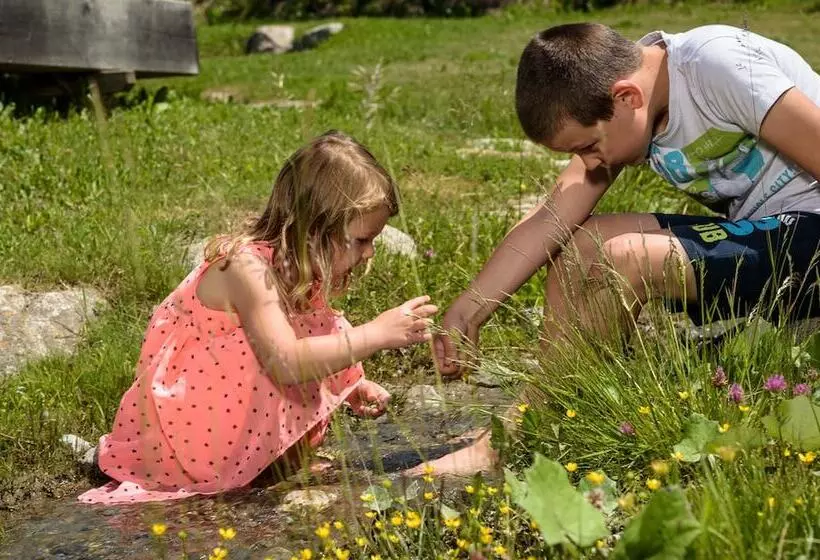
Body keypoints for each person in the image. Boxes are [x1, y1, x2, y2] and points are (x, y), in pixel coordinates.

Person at [411, 22, 820, 476]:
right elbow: (552, 218)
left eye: (588, 146)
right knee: (582, 246)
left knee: (626, 257)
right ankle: (580, 407)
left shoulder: (717, 66)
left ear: (626, 98)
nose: (589, 162)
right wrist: (469, 310)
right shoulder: (624, 93)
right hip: (767, 233)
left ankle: (514, 436)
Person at [78, 130, 438, 504]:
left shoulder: (299, 268)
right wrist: (376, 334)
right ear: (314, 229)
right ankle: (219, 468)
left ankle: (265, 464)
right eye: (362, 240)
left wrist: (350, 384)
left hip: (230, 409)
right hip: (194, 428)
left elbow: (314, 333)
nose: (369, 253)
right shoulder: (247, 269)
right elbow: (285, 362)